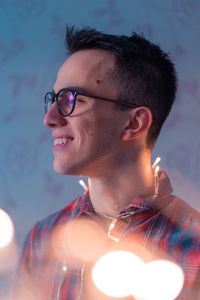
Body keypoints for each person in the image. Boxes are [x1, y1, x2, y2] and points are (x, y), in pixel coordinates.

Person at [14, 26, 200, 300]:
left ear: (134, 123)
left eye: (71, 99)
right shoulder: (43, 239)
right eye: (54, 99)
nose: (50, 118)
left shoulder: (192, 246)